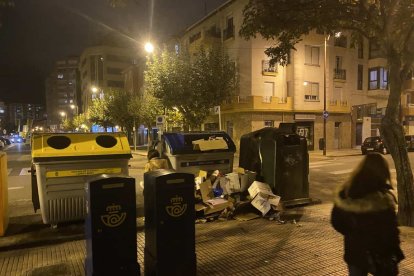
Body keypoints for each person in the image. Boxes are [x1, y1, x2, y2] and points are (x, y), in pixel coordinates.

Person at [331, 152, 404, 276]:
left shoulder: (347, 192)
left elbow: (336, 221)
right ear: (383, 171)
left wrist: (352, 234)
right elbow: (390, 230)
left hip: (354, 252)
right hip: (379, 254)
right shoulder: (383, 197)